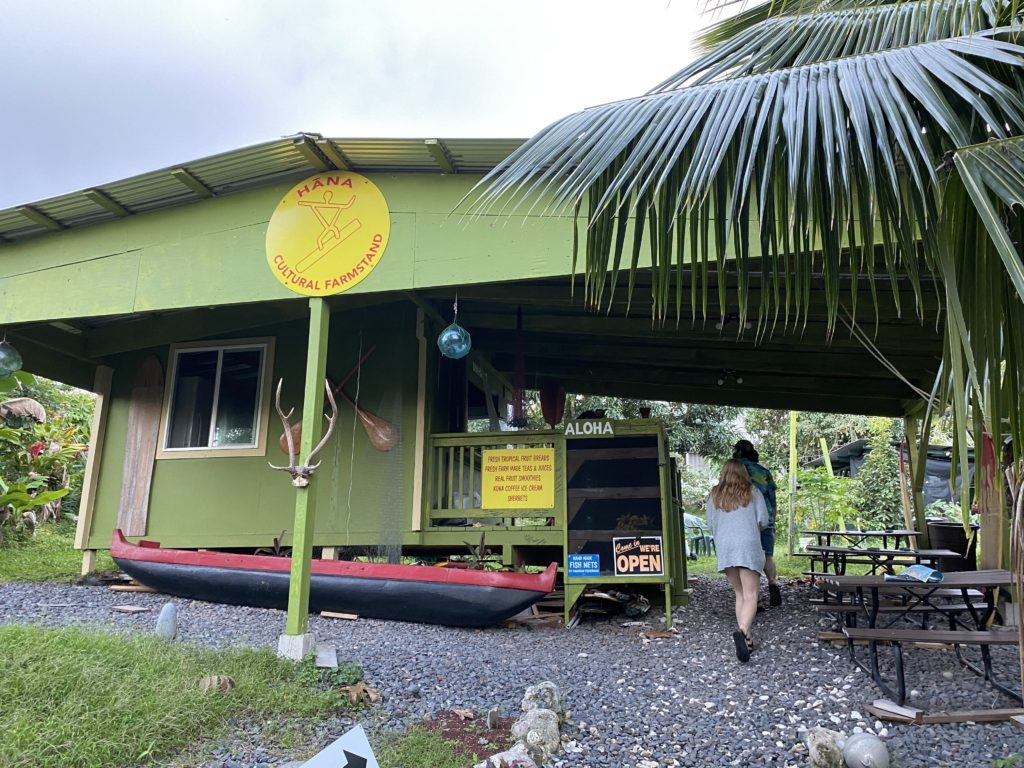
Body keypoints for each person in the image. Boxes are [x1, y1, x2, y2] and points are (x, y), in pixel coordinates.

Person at [706, 459, 770, 663]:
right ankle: (742, 631)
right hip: (748, 545)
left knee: (739, 593)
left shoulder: (714, 494)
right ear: (744, 472)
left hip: (725, 546)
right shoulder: (753, 491)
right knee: (751, 594)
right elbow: (763, 520)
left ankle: (748, 639)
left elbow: (709, 523)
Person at [733, 439, 781, 608]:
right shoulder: (763, 472)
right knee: (767, 554)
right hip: (765, 516)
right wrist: (772, 518)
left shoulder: (734, 471)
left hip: (743, 520)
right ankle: (773, 582)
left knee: (748, 560)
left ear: (737, 452)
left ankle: (756, 599)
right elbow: (773, 499)